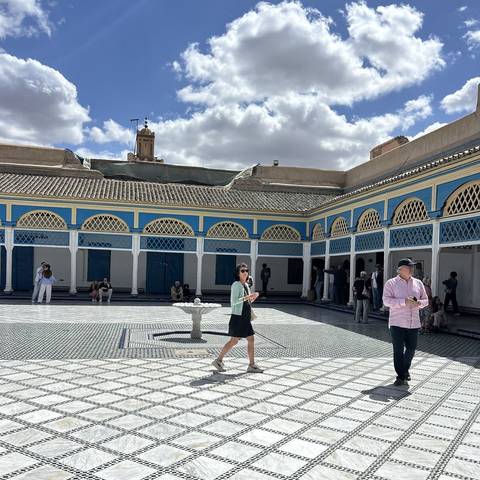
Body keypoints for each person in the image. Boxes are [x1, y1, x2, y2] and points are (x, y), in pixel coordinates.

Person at [382, 258, 429, 387]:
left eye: (412, 267)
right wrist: (404, 302)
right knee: (398, 350)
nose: (412, 269)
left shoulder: (418, 283)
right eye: (409, 267)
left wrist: (419, 303)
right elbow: (386, 301)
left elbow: (426, 300)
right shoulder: (391, 283)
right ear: (400, 269)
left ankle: (404, 370)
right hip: (397, 323)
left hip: (414, 323)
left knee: (411, 349)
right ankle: (400, 376)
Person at [212, 263, 263, 373]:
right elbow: (235, 301)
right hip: (238, 318)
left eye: (246, 270)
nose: (245, 272)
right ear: (238, 273)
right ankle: (219, 360)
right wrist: (248, 296)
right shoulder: (236, 284)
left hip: (244, 317)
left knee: (247, 339)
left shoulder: (245, 285)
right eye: (242, 271)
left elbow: (246, 301)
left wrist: (253, 297)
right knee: (235, 341)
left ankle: (251, 364)